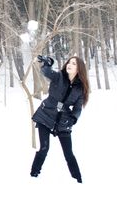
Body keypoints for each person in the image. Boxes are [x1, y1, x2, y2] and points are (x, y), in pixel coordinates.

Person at [30, 55, 90, 183]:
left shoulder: (79, 89)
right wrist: (47, 64)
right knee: (44, 148)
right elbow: (47, 72)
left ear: (79, 69)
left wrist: (73, 119)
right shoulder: (59, 77)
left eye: (74, 63)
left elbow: (78, 108)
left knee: (68, 153)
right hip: (46, 115)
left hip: (63, 120)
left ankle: (78, 180)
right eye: (69, 62)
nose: (69, 64)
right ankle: (33, 176)